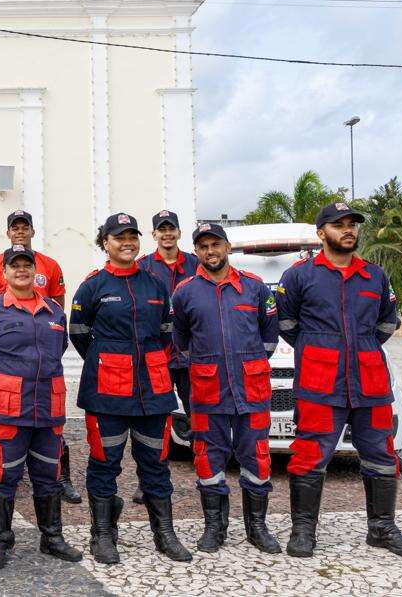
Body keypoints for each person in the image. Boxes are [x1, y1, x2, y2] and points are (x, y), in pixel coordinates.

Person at [277, 203, 402, 559]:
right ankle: (303, 532)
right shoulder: (299, 276)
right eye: (338, 225)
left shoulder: (375, 276)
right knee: (310, 455)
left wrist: (362, 348)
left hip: (369, 383)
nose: (348, 230)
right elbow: (287, 325)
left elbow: (387, 323)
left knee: (381, 455)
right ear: (321, 233)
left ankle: (383, 529)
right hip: (319, 383)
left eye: (352, 225)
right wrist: (320, 350)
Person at [69, 213, 191, 564]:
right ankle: (103, 535)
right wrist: (108, 359)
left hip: (153, 390)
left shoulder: (154, 284)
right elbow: (79, 333)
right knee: (104, 463)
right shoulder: (92, 286)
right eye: (118, 237)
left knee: (156, 463)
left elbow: (168, 331)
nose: (127, 242)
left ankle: (165, 535)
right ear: (104, 243)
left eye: (132, 237)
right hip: (107, 391)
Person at [0, 245, 82, 570]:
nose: (21, 270)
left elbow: (58, 350)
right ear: (3, 273)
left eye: (26, 266)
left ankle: (53, 538)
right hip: (7, 411)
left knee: (49, 475)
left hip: (47, 408)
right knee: (2, 475)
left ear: (35, 272)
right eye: (14, 266)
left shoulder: (54, 311)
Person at [171, 222, 280, 555]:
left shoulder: (255, 288)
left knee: (258, 458)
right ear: (197, 252)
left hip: (251, 390)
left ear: (227, 247)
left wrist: (248, 362)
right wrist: (207, 364)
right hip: (207, 393)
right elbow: (181, 341)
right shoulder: (185, 292)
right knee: (207, 458)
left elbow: (270, 337)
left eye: (215, 244)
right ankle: (214, 529)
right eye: (202, 246)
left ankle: (257, 528)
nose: (210, 251)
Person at [0, 210, 79, 505]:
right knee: (3, 474)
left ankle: (53, 533)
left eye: (25, 227)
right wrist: (4, 368)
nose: (20, 231)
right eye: (15, 227)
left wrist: (39, 362)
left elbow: (58, 337)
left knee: (49, 469)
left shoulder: (52, 276)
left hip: (46, 392)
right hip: (7, 395)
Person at [133, 209, 200, 507]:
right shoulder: (143, 266)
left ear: (179, 232)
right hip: (156, 358)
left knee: (201, 418)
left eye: (171, 228)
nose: (167, 233)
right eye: (162, 229)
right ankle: (148, 482)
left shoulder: (197, 264)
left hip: (193, 357)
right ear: (154, 234)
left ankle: (207, 475)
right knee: (152, 422)